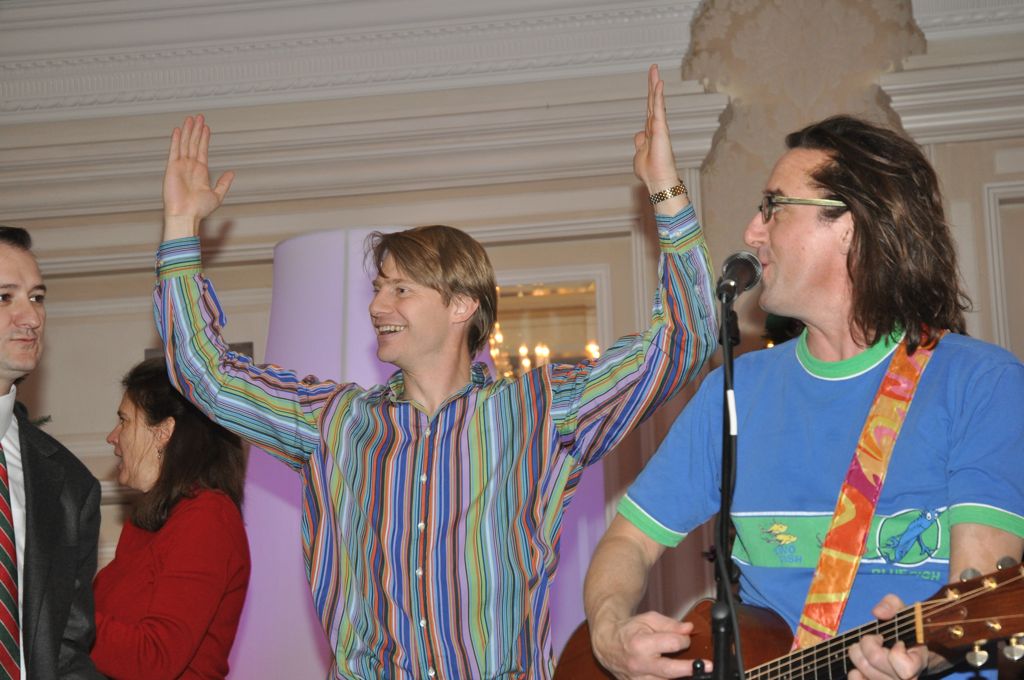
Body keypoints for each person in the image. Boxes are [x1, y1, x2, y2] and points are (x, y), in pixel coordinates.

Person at [153, 64, 717, 678]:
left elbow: (684, 339)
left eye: (400, 289)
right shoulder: (333, 424)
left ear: (460, 306)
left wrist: (664, 188)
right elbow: (205, 375)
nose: (377, 306)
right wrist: (181, 225)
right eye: (377, 288)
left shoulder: (539, 413)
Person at [583, 115, 1024, 680]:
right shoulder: (736, 390)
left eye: (773, 206)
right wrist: (609, 632)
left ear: (849, 226)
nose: (752, 231)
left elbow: (978, 591)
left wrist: (925, 654)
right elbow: (626, 540)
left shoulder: (980, 383)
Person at [90, 357, 250, 679]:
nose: (113, 437)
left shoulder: (208, 520)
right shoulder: (149, 521)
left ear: (163, 432)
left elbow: (156, 658)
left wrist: (60, 616)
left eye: (124, 421)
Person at [0, 226, 103, 679]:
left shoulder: (71, 486)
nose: (31, 318)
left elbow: (66, 652)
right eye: (4, 297)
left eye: (37, 298)